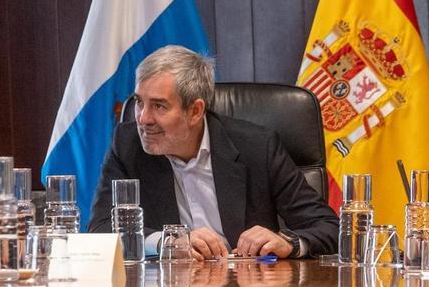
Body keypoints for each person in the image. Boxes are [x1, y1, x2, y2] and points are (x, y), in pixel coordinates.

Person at [88, 45, 338, 260]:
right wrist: (166, 241)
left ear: (195, 111)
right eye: (140, 102)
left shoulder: (258, 147)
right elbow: (100, 231)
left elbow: (328, 227)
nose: (143, 118)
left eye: (159, 106)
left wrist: (289, 243)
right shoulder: (127, 144)